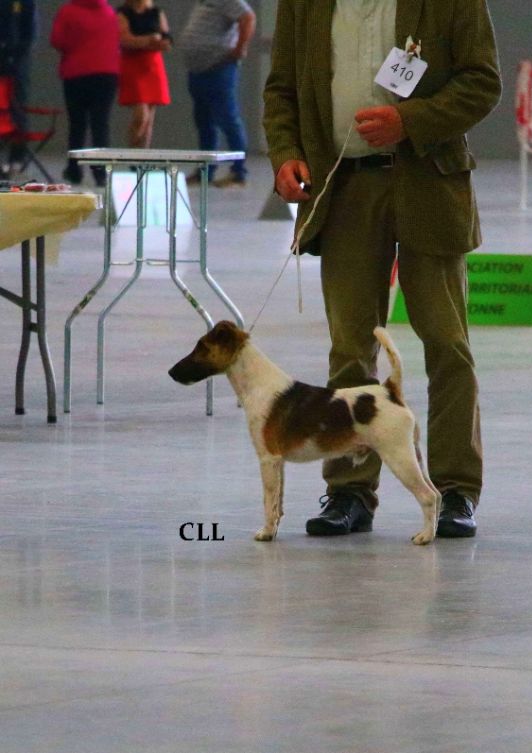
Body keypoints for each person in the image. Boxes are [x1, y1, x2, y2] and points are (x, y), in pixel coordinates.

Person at [263, 0, 501, 539]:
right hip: (342, 187)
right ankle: (349, 491)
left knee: (446, 341)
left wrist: (409, 120)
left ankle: (456, 490)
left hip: (429, 181)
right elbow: (280, 88)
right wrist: (285, 152)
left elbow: (482, 83)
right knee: (350, 348)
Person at [177, 0, 255, 188]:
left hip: (219, 68)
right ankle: (205, 172)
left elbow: (248, 17)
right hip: (198, 71)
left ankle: (238, 173)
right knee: (204, 122)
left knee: (228, 119)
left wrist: (240, 48)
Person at [50, 0, 120, 187]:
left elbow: (57, 40)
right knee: (101, 124)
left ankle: (74, 171)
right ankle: (101, 173)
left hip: (76, 73)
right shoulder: (109, 12)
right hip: (107, 74)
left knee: (77, 124)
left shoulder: (68, 11)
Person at [116, 0, 171, 149]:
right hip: (133, 65)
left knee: (149, 120)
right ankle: (132, 153)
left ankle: (142, 158)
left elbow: (166, 38)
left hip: (153, 65)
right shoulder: (123, 13)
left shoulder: (156, 12)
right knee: (141, 116)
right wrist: (148, 40)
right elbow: (124, 40)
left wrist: (160, 42)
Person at [0, 0, 37, 178]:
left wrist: (15, 55)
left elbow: (28, 32)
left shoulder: (25, 3)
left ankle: (16, 158)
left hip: (16, 61)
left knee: (17, 110)